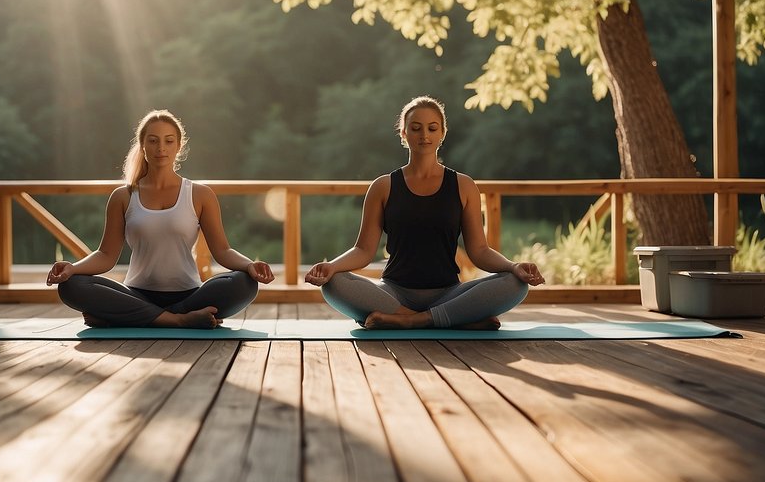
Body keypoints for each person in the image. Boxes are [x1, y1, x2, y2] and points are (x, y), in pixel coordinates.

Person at [304, 95, 544, 330]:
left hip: (449, 292)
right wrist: (332, 267)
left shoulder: (463, 185)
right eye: (416, 128)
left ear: (442, 134)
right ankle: (453, 319)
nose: (424, 135)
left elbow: (479, 251)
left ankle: (411, 320)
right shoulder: (383, 186)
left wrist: (513, 267)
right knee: (333, 284)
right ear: (404, 133)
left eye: (432, 128)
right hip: (394, 292)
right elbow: (363, 250)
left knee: (516, 284)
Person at [47, 110, 274, 328]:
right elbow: (106, 255)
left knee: (244, 283)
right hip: (136, 294)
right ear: (142, 145)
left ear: (179, 145)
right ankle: (178, 320)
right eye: (153, 141)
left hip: (190, 294)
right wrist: (72, 269)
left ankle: (131, 318)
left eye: (168, 141)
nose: (160, 148)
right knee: (72, 286)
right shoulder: (123, 196)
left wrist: (249, 265)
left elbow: (223, 251)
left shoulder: (200, 194)